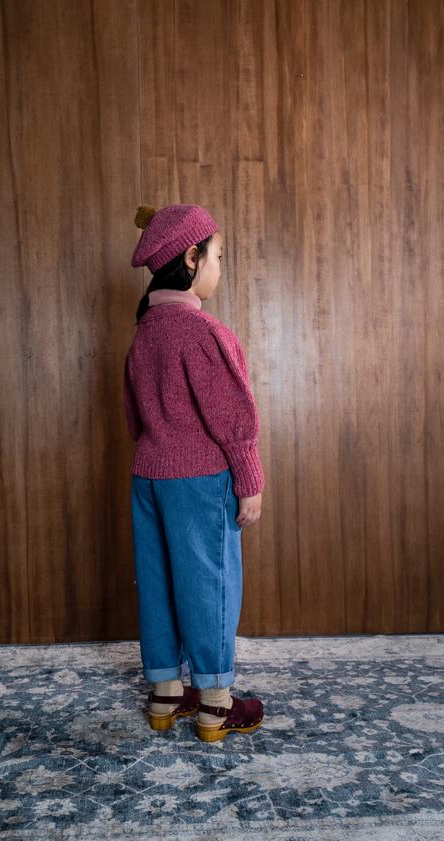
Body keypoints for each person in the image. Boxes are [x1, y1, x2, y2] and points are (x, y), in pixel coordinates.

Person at [124, 203, 265, 743]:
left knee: (158, 581)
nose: (220, 268)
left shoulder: (144, 333)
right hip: (199, 480)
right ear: (191, 257)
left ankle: (165, 693)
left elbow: (133, 418)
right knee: (210, 583)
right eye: (219, 257)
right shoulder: (203, 332)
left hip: (148, 477)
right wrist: (248, 482)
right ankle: (216, 705)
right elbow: (233, 418)